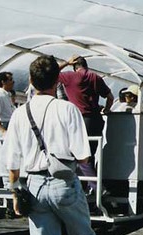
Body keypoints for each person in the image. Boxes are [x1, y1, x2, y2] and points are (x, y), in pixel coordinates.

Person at [4, 55, 100, 235]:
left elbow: (12, 162)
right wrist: (92, 183)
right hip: (63, 183)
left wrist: (14, 194)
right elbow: (83, 155)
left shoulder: (20, 114)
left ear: (31, 82)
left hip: (33, 186)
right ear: (58, 81)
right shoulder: (67, 109)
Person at [58, 55, 114, 196]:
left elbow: (50, 74)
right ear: (86, 65)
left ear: (75, 66)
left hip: (79, 120)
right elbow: (110, 97)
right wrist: (106, 109)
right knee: (91, 154)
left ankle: (96, 188)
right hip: (95, 120)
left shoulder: (70, 76)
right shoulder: (95, 77)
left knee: (79, 154)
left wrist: (66, 62)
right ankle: (89, 187)